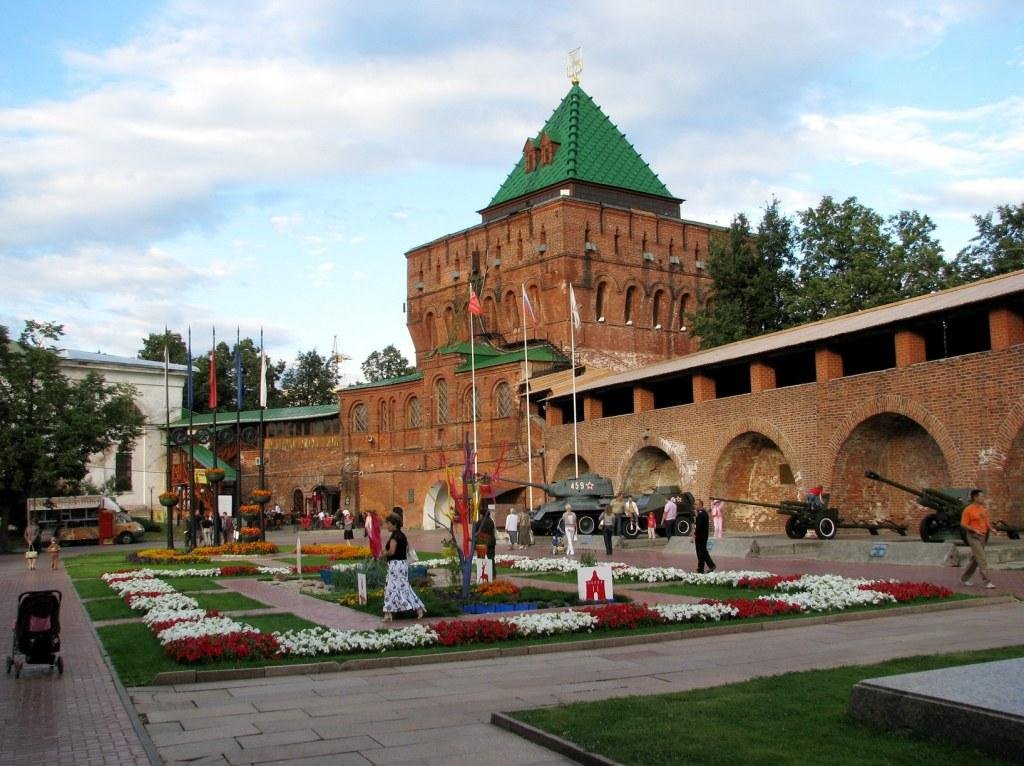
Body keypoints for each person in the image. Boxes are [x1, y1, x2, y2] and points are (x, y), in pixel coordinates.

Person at [381, 513, 426, 621]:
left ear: (394, 524)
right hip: (402, 564)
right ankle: (416, 608)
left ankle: (389, 613)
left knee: (391, 588)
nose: (386, 526)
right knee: (402, 587)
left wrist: (383, 553)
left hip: (395, 565)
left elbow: (392, 551)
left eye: (388, 524)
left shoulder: (395, 536)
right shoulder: (402, 535)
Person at [960, 489, 996, 589]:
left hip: (983, 536)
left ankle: (964, 578)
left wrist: (991, 529)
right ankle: (987, 581)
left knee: (976, 559)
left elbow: (985, 520)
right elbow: (963, 524)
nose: (983, 498)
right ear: (975, 497)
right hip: (973, 537)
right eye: (981, 496)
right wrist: (974, 530)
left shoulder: (981, 508)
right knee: (982, 558)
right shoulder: (968, 510)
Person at [694, 499, 716, 574]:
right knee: (703, 552)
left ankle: (701, 569)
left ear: (700, 505)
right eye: (695, 504)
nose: (695, 506)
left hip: (700, 537)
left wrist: (694, 534)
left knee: (700, 553)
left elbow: (698, 526)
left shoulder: (701, 514)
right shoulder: (703, 513)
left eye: (696, 504)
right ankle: (710, 566)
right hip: (703, 536)